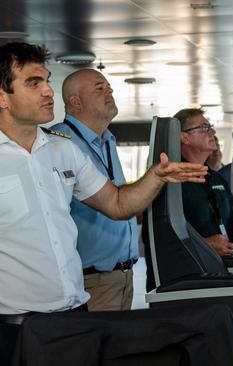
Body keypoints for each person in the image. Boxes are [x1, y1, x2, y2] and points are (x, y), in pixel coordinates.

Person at [0, 42, 206, 366]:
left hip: (78, 320)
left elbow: (117, 204)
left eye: (47, 80)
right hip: (17, 331)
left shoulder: (63, 150)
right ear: (1, 97)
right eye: (34, 83)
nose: (49, 91)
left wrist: (155, 177)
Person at [49, 69, 138, 311]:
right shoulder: (59, 143)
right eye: (100, 88)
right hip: (90, 281)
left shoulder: (107, 139)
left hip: (123, 276)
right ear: (75, 101)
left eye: (109, 87)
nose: (109, 91)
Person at [174, 108, 233, 256]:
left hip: (226, 265)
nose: (213, 132)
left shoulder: (215, 178)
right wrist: (205, 245)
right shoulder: (171, 180)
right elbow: (163, 237)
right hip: (193, 271)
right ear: (184, 137)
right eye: (205, 128)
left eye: (211, 127)